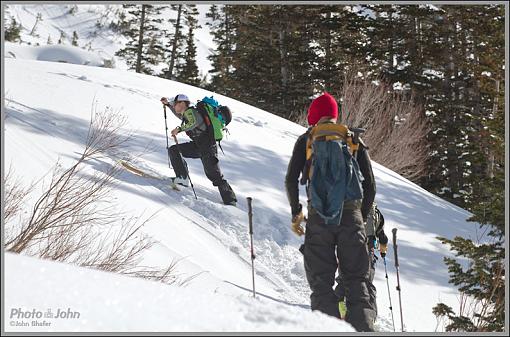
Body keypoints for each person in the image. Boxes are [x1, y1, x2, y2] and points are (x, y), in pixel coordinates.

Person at [285, 92, 376, 332]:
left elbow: (291, 179)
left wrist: (297, 213)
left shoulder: (307, 139)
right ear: (334, 115)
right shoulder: (351, 138)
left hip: (319, 218)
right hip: (352, 217)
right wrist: (360, 216)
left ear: (314, 116)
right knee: (357, 281)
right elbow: (370, 186)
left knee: (321, 283)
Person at [160, 94, 237, 206]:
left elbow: (193, 123)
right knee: (174, 150)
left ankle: (230, 200)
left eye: (175, 103)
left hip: (207, 146)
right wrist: (168, 104)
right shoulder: (189, 113)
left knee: (213, 174)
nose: (174, 105)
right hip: (198, 145)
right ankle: (182, 178)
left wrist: (179, 129)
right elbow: (180, 115)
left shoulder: (191, 112)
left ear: (182, 103)